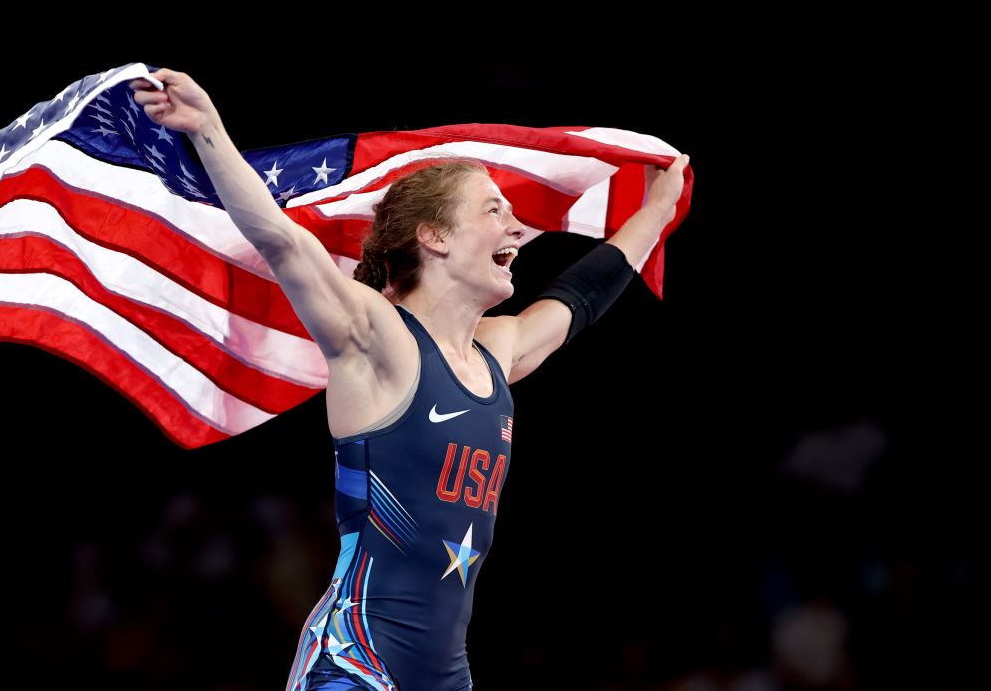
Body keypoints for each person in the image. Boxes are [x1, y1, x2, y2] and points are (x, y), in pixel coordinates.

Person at [131, 69, 688, 691]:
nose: (517, 227)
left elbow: (580, 297)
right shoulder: (379, 338)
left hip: (446, 675)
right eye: (494, 209)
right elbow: (282, 242)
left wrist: (657, 210)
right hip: (353, 664)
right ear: (436, 237)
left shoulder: (495, 353)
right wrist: (208, 129)